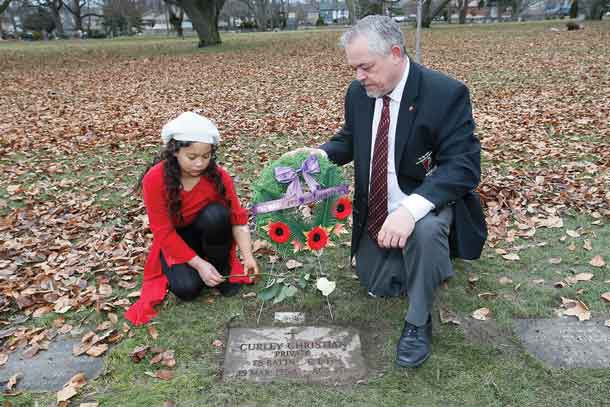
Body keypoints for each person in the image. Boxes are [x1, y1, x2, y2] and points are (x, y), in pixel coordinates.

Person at [295, 15, 487, 367]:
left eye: (365, 67)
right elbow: (352, 138)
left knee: (425, 232)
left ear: (396, 53)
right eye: (354, 68)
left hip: (426, 198)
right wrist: (320, 155)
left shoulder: (445, 93)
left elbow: (463, 167)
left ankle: (418, 322)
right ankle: (428, 263)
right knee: (379, 285)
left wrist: (410, 210)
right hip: (376, 209)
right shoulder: (360, 92)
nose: (358, 77)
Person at [125, 112, 259, 325]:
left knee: (217, 215)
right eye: (192, 157)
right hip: (175, 240)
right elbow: (163, 232)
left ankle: (220, 267)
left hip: (208, 231)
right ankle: (202, 267)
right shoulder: (154, 178)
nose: (199, 164)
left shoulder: (218, 176)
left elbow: (237, 218)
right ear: (175, 151)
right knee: (188, 290)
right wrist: (198, 265)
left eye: (205, 157)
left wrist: (248, 256)